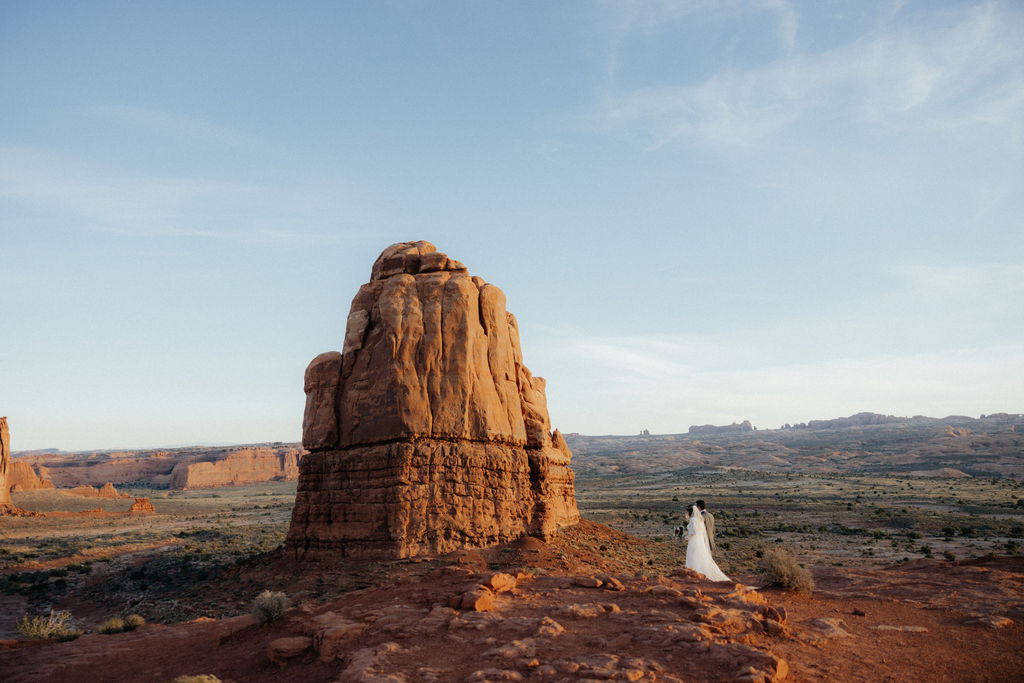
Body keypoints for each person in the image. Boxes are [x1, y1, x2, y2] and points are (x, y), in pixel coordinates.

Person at [685, 504, 729, 582]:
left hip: (694, 541)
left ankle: (695, 574)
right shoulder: (700, 519)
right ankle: (699, 573)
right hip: (700, 540)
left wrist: (687, 537)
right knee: (700, 556)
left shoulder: (693, 519)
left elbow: (694, 531)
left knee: (693, 555)